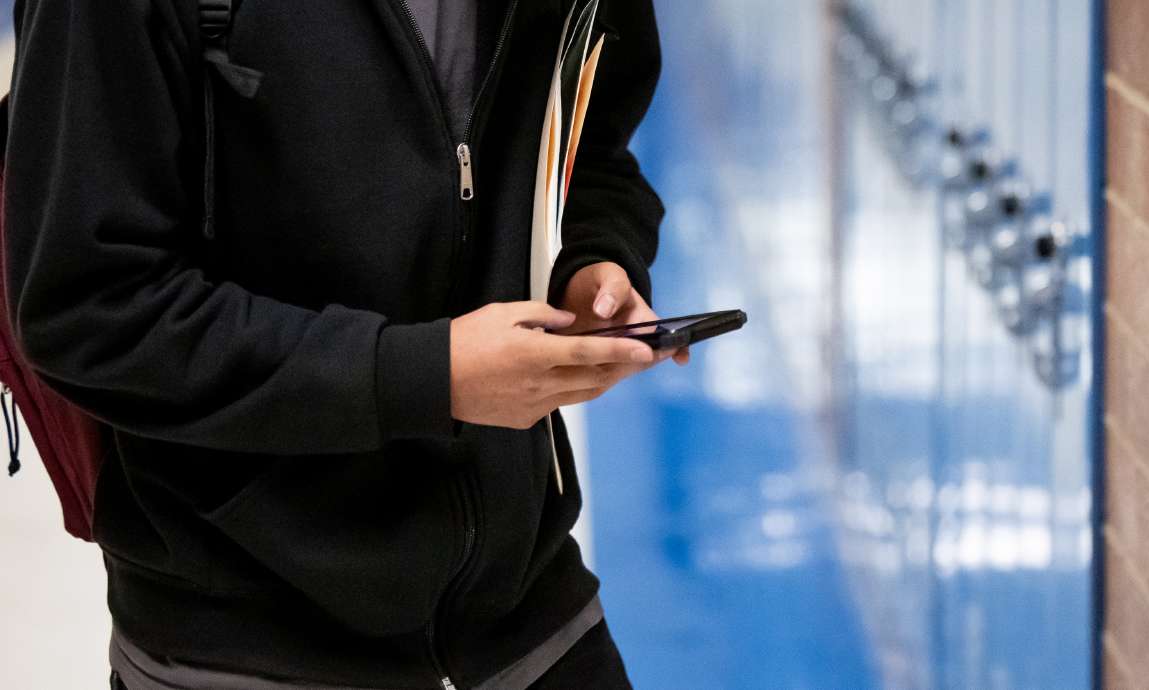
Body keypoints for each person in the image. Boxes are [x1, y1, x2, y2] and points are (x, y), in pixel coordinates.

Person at [3, 0, 678, 687]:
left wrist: (594, 259)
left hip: (531, 618)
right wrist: (423, 378)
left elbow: (591, 144)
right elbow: (91, 304)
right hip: (247, 641)